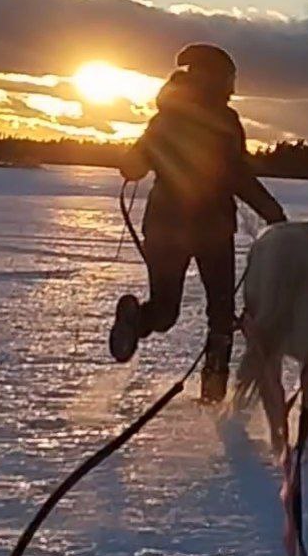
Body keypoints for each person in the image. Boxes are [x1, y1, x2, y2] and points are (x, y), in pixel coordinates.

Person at [109, 42, 287, 403]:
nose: (232, 86)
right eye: (228, 78)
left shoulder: (164, 119)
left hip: (165, 226)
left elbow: (133, 166)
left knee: (165, 309)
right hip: (212, 229)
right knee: (220, 314)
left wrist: (139, 156)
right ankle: (213, 393)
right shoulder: (224, 121)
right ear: (214, 79)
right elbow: (237, 174)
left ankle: (137, 319)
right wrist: (272, 212)